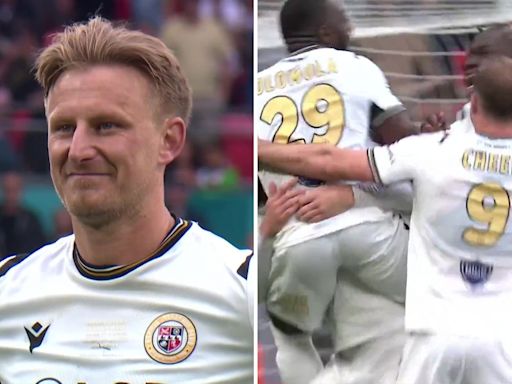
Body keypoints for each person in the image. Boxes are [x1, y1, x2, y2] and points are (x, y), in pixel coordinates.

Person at [0, 17, 253, 383]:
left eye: (107, 126)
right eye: (64, 128)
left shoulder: (243, 293)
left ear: (169, 141)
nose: (79, 150)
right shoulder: (9, 294)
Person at [259, 56, 512, 384]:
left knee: (295, 331)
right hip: (500, 339)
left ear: (473, 102)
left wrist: (259, 149)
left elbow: (327, 160)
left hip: (433, 335)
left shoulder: (430, 151)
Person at [256, 0, 428, 382]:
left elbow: (261, 197)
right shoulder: (355, 66)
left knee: (291, 337)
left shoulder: (255, 89)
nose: (351, 26)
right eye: (344, 20)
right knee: (413, 312)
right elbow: (402, 146)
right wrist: (428, 140)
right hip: (371, 232)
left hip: (297, 239)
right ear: (326, 33)